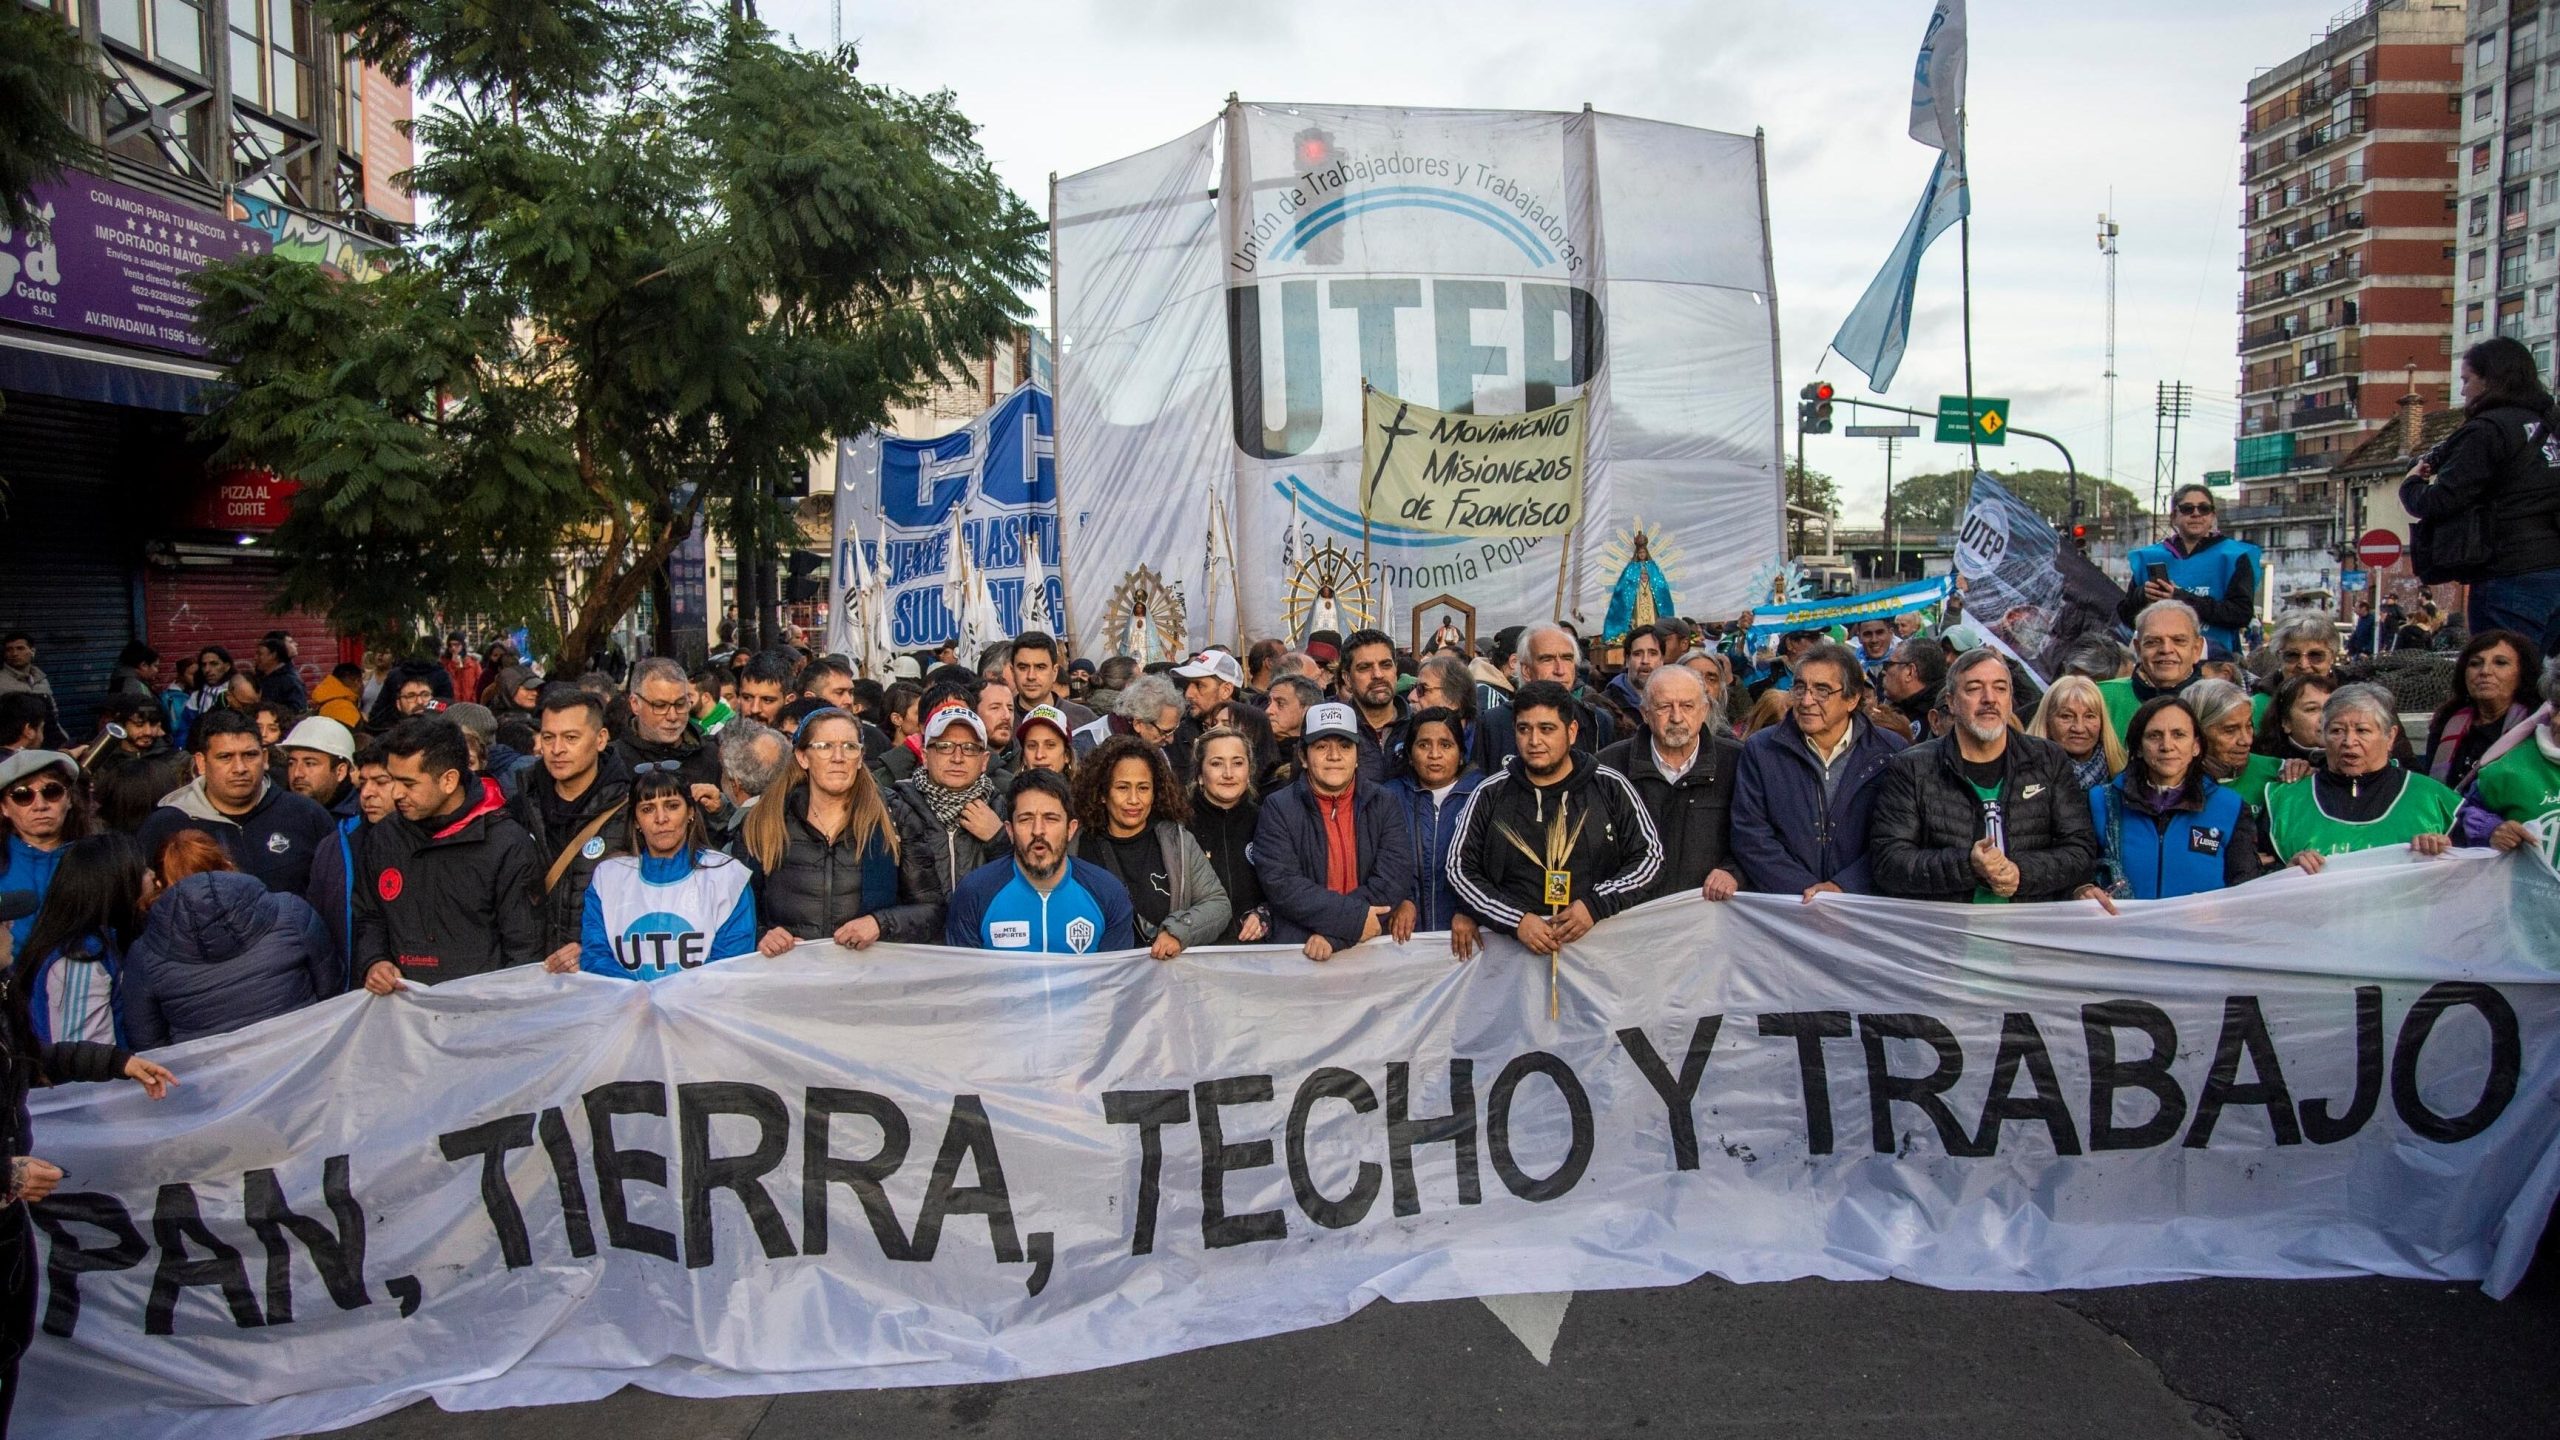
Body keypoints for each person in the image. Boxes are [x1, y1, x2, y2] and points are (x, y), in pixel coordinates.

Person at [0, 890, 177, 1437]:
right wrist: (8, 1173)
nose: (11, 933)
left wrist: (116, 1063)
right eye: (1, 925)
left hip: (6, 1221)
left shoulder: (3, 996)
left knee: (9, 1346)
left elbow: (32, 1060)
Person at [1870, 647, 2100, 904]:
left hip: (2029, 923)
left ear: (2010, 699)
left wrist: (2020, 872)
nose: (1989, 698)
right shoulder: (1912, 767)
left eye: (2000, 688)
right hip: (1948, 926)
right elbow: (1889, 862)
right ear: (1951, 702)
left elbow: (2080, 850)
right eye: (1974, 688)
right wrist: (1968, 866)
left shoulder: (2048, 759)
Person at [1446, 681, 1661, 956]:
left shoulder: (1609, 786)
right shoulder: (1490, 793)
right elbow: (1459, 869)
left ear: (1571, 732)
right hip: (1513, 957)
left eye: (1546, 729)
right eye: (1524, 729)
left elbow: (1650, 857)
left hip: (1600, 954)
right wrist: (1516, 920)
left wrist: (1596, 906)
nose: (1534, 741)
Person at [354, 716, 544, 991]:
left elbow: (524, 948)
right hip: (402, 1006)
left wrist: (502, 1007)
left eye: (408, 784)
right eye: (392, 780)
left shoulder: (506, 843)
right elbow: (369, 915)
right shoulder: (384, 837)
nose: (396, 794)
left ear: (448, 780)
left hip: (480, 1008)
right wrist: (375, 961)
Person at [2398, 336, 2560, 656]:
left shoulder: (2488, 430)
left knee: (2503, 672)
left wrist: (2411, 484)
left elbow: (2442, 500)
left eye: (2466, 380)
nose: (2463, 391)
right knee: (2544, 676)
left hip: (2508, 572)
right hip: (2553, 569)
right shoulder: (2551, 425)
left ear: (2490, 380)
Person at [120, 831, 337, 1047]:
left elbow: (148, 1043)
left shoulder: (144, 954)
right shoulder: (291, 911)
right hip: (302, 1053)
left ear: (160, 883)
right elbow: (331, 990)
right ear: (225, 863)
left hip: (209, 1067)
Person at [1731, 639, 1908, 900]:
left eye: (1822, 690)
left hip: (1863, 905)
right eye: (1799, 688)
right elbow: (1750, 835)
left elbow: (1900, 836)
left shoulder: (1889, 751)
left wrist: (1843, 886)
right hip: (1787, 905)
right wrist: (1809, 893)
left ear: (1852, 698)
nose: (1806, 700)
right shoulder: (1762, 749)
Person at [560, 764, 757, 981]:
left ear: (690, 812)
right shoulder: (607, 878)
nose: (661, 818)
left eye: (672, 806)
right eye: (647, 809)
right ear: (636, 820)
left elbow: (729, 963)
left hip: (700, 1003)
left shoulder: (727, 876)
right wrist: (639, 995)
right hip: (628, 1004)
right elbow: (596, 955)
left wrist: (667, 997)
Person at [1253, 701, 1417, 961]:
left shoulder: (1384, 802)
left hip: (1371, 949)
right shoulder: (1278, 807)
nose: (1334, 756)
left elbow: (1392, 878)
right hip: (1302, 952)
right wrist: (1353, 920)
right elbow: (1283, 885)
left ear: (1357, 756)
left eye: (1345, 746)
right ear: (1303, 757)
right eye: (1321, 747)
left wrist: (1335, 937)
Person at [739, 709, 905, 955]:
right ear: (802, 757)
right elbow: (736, 910)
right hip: (788, 972)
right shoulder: (764, 822)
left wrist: (880, 923)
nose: (838, 757)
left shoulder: (892, 818)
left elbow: (930, 908)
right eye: (825, 746)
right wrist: (762, 935)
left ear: (860, 758)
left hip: (868, 973)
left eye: (849, 747)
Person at [134, 709, 334, 900]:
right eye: (225, 757)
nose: (239, 768)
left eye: (250, 755)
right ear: (201, 763)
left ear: (265, 758)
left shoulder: (307, 815)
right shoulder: (165, 825)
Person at [2079, 697, 2262, 905]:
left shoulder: (2230, 807)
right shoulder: (2100, 802)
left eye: (2179, 735)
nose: (2167, 746)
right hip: (2123, 925)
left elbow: (2246, 891)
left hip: (2202, 926)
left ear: (2196, 746)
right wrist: (2083, 889)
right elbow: (2078, 876)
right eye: (2154, 736)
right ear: (2138, 747)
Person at [2265, 682, 2462, 871]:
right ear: (2323, 735)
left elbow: (2469, 874)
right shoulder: (2283, 801)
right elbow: (2256, 876)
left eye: (2362, 730)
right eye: (2337, 731)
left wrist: (2447, 854)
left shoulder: (2436, 801)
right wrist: (2284, 872)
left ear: (2390, 736)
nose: (2349, 741)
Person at [507, 686, 634, 972]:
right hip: (532, 973)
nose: (557, 749)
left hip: (601, 974)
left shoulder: (629, 812)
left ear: (601, 739)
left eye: (571, 738)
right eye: (548, 737)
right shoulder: (520, 807)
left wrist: (595, 948)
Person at [944, 769, 1136, 953]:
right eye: (1026, 819)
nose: (1038, 831)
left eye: (1051, 818)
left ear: (1071, 829)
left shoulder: (1108, 893)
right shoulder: (974, 892)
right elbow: (965, 973)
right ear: (1010, 831)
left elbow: (1115, 975)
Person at [1072, 735, 1229, 960]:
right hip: (1096, 975)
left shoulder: (1177, 841)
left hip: (1163, 976)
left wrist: (1178, 932)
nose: (1134, 799)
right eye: (1122, 787)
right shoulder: (1076, 845)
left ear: (1155, 793)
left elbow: (1218, 904)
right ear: (1102, 794)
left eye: (1143, 788)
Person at [1598, 664, 1742, 903]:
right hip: (1629, 912)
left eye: (1687, 706)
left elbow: (1756, 834)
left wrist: (1733, 871)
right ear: (1645, 713)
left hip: (1708, 913)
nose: (1676, 717)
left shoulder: (1737, 763)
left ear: (1704, 710)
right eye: (1664, 707)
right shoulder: (1608, 767)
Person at [882, 705, 1012, 938]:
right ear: (924, 756)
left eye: (969, 748)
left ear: (984, 761)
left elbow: (1021, 891)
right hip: (917, 950)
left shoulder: (1004, 808)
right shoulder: (895, 808)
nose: (957, 758)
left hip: (982, 948)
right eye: (944, 746)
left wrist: (999, 840)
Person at [15, 833, 152, 1045]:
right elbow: (86, 1050)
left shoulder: (107, 940)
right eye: (142, 871)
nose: (152, 875)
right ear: (117, 884)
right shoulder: (80, 959)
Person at [2117, 483, 2262, 654]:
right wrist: (2142, 595)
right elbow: (2126, 616)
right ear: (2174, 516)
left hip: (2215, 659)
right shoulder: (2150, 557)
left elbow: (2241, 614)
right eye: (2187, 509)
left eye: (2204, 508)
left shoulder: (2234, 556)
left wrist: (2180, 597)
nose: (2196, 514)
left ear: (2213, 516)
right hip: (2162, 657)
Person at [1383, 706, 1482, 952]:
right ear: (1409, 754)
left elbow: (1494, 865)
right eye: (1424, 745)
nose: (1434, 754)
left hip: (1468, 937)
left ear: (1461, 754)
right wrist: (1401, 898)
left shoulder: (1483, 795)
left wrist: (1468, 909)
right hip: (1404, 939)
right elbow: (1378, 860)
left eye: (1446, 745)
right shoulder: (1389, 797)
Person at [2098, 599, 2262, 742]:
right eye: (2153, 642)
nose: (2166, 649)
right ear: (2138, 649)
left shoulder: (2223, 704)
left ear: (2196, 649)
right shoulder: (2102, 699)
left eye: (2178, 640)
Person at [1470, 625, 1617, 773]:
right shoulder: (1493, 723)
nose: (1560, 670)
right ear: (1526, 670)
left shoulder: (1598, 721)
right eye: (1547, 659)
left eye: (1567, 658)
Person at [2455, 661, 2560, 849]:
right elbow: (2456, 816)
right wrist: (2490, 829)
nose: (2557, 721)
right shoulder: (2508, 769)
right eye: (2557, 707)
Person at [2424, 630, 2543, 792]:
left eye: (2500, 663)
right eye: (2475, 664)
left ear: (2522, 673)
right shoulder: (2445, 723)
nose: (2485, 671)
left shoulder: (2538, 725)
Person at [1187, 724, 1271, 943]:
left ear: (1249, 771)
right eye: (1216, 763)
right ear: (1200, 774)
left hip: (1256, 951)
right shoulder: (1178, 825)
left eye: (1237, 763)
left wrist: (1265, 914)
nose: (1228, 774)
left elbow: (1286, 885)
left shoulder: (1269, 820)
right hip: (1195, 951)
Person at [614, 657, 724, 815]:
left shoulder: (713, 756)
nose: (672, 716)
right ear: (635, 704)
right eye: (660, 706)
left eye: (680, 704)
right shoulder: (613, 762)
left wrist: (720, 810)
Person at [2027, 674, 2124, 792]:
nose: (2079, 728)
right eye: (2066, 716)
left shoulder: (2125, 776)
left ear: (2102, 722)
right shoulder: (2023, 777)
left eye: (2089, 716)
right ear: (2047, 720)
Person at [1074, 673, 1183, 761]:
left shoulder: (1155, 749)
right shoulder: (1084, 747)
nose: (1170, 740)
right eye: (1165, 732)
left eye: (1174, 729)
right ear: (1138, 724)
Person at [1009, 631, 1099, 733]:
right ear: (1012, 671)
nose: (1031, 676)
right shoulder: (1001, 720)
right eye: (1023, 667)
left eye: (1040, 667)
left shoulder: (1084, 719)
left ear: (1055, 672)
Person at [279, 716, 361, 821]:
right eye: (291, 763)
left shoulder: (364, 819)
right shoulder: (277, 813)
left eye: (310, 764)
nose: (297, 773)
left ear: (340, 772)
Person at [2256, 670, 2337, 771]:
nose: (2326, 717)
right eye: (2312, 709)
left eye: (2331, 707)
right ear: (2286, 722)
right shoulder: (2266, 767)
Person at [0, 634, 59, 748]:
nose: (14, 653)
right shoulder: (2, 681)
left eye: (20, 648)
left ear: (32, 651)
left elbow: (53, 714)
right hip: (16, 747)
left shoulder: (41, 680)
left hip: (48, 742)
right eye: (9, 649)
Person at [1878, 636, 1946, 735]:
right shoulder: (1895, 706)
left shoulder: (1944, 716)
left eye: (1888, 665)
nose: (1883, 671)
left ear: (1909, 672)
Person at [2259, 611, 2339, 689]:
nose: (2304, 665)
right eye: (2292, 655)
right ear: (2278, 657)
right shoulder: (2260, 697)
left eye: (2315, 655)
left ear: (2332, 657)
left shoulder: (2346, 695)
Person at [251, 635, 310, 714]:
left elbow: (298, 711)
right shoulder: (261, 678)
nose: (255, 657)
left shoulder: (291, 682)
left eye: (259, 654)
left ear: (273, 655)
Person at [1016, 704, 1076, 778]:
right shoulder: (1007, 784)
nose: (1039, 755)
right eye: (1032, 746)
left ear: (1067, 755)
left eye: (1050, 745)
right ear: (1024, 757)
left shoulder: (1083, 785)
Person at [106, 641, 159, 708]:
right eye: (155, 666)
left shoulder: (119, 680)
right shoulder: (135, 687)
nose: (157, 670)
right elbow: (147, 711)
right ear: (143, 665)